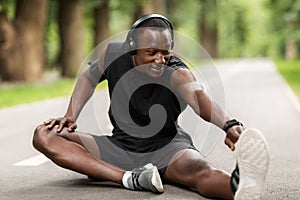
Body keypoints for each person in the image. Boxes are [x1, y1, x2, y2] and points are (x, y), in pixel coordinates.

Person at [32, 14, 269, 199]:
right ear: (132, 47)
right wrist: (70, 115)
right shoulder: (113, 54)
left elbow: (199, 99)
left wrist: (229, 124)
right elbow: (88, 77)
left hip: (168, 148)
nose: (160, 59)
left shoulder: (176, 71)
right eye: (151, 52)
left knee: (200, 171)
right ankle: (130, 178)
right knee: (44, 134)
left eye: (165, 52)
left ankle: (239, 187)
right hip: (120, 147)